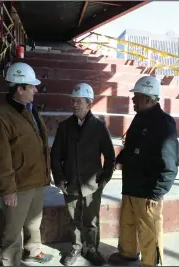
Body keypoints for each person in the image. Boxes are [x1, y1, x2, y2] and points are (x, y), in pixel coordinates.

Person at [0, 62, 53, 266]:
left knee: (33, 223)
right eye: (31, 86)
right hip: (18, 186)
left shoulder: (29, 110)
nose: (35, 90)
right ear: (20, 88)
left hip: (36, 180)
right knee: (13, 230)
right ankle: (10, 261)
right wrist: (7, 189)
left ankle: (32, 251)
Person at [108, 76, 179, 267]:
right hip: (131, 185)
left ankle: (150, 263)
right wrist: (120, 159)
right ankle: (128, 254)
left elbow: (170, 162)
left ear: (148, 99)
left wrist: (158, 192)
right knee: (128, 225)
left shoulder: (164, 123)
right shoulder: (140, 118)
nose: (132, 101)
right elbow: (132, 146)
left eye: (136, 97)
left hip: (148, 191)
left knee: (150, 231)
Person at [51, 82, 116, 266]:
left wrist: (104, 179)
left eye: (79, 101)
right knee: (73, 219)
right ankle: (77, 247)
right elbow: (55, 156)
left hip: (92, 184)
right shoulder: (64, 127)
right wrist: (60, 178)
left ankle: (91, 248)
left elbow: (110, 157)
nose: (75, 105)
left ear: (89, 103)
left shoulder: (99, 127)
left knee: (92, 220)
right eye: (73, 101)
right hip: (70, 182)